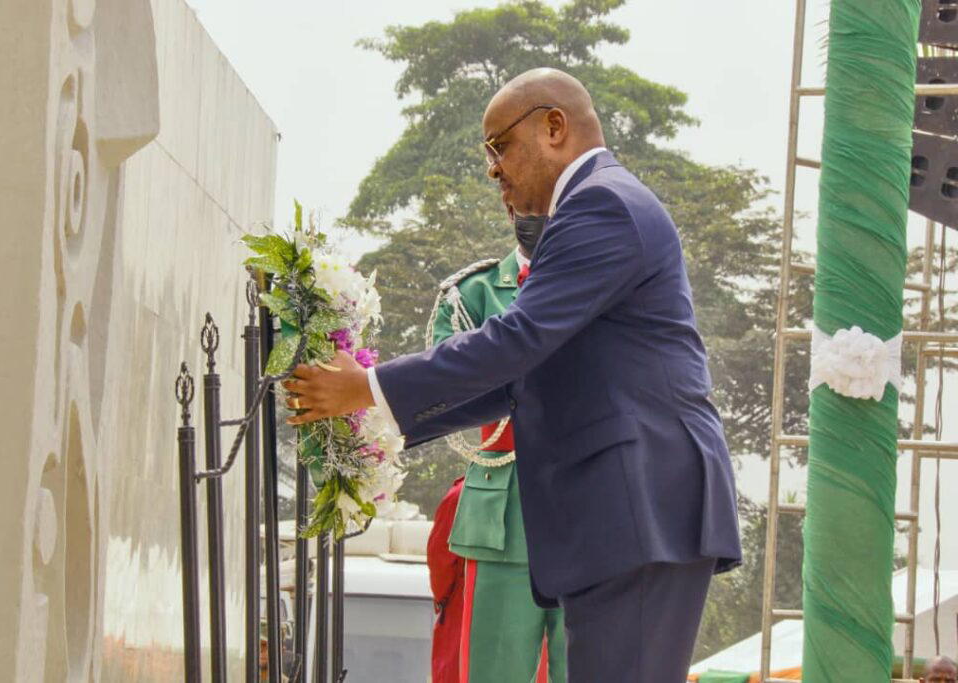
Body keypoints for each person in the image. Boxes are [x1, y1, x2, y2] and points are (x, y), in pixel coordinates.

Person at [284, 67, 742, 682]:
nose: (493, 169)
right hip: (629, 512)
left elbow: (515, 341)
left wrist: (366, 386)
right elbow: (519, 379)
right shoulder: (592, 207)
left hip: (638, 506)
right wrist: (373, 415)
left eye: (500, 145)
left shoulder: (600, 204)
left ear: (555, 127)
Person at [428, 226, 565, 683]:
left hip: (589, 508)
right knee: (492, 672)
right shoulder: (473, 292)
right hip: (504, 514)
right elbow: (448, 388)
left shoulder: (599, 283)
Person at [428, 476, 466, 683]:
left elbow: (440, 557)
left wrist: (443, 601)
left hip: (463, 612)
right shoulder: (540, 488)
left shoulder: (461, 494)